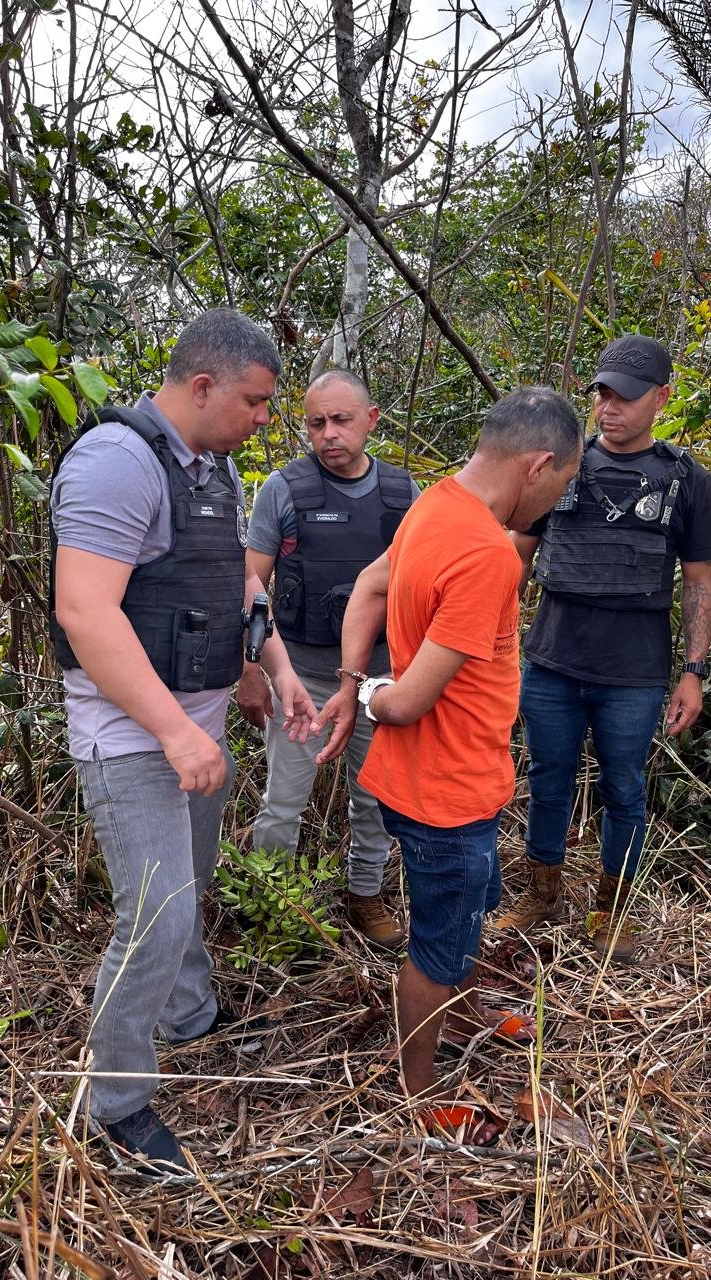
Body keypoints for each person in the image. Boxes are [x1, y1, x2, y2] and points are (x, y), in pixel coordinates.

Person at [49, 308, 316, 1174]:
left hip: (193, 730)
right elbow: (84, 610)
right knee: (156, 913)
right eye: (256, 402)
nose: (265, 421)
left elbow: (232, 581)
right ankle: (116, 1104)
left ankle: (189, 1016)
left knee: (188, 891)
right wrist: (171, 730)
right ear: (201, 386)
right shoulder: (117, 462)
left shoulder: (211, 468)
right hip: (133, 739)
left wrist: (274, 665)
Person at [312, 387, 583, 1115]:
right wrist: (368, 694)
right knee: (438, 942)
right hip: (446, 791)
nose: (556, 499)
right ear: (540, 464)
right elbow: (405, 702)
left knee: (469, 906)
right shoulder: (488, 552)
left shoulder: (433, 505)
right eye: (561, 484)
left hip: (435, 782)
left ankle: (460, 1012)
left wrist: (343, 681)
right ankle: (416, 1086)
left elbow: (370, 587)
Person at [501, 335, 711, 961]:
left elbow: (699, 581)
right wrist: (490, 643)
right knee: (547, 779)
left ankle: (610, 913)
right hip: (553, 661)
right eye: (601, 392)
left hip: (635, 673)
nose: (608, 405)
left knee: (624, 788)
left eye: (625, 395)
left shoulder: (688, 482)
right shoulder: (559, 464)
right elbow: (516, 554)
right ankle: (541, 895)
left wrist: (694, 670)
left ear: (662, 398)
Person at [236, 369, 418, 949]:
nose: (328, 434)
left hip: (378, 680)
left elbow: (421, 590)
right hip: (303, 678)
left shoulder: (402, 494)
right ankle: (275, 907)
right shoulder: (284, 490)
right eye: (316, 423)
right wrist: (251, 670)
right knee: (283, 801)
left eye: (341, 420)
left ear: (371, 420)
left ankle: (365, 893)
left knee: (374, 797)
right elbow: (250, 585)